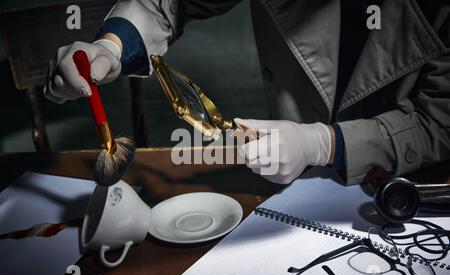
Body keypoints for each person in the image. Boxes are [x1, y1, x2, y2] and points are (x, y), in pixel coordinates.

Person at [44, 0, 450, 185]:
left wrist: (322, 143)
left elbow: (439, 123)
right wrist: (113, 45)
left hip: (416, 186)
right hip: (289, 191)